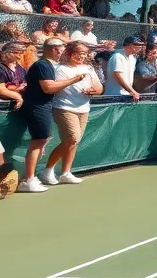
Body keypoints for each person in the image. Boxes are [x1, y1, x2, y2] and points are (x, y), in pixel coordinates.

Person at [17, 38, 85, 193]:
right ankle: (28, 180)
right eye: (58, 48)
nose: (61, 51)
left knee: (42, 141)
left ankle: (32, 177)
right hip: (37, 107)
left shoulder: (48, 65)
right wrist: (74, 79)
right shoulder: (42, 65)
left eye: (61, 48)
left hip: (44, 107)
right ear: (50, 49)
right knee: (38, 141)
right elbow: (48, 88)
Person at [42, 41, 103, 186]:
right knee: (72, 138)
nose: (82, 56)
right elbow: (57, 87)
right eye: (79, 53)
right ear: (70, 52)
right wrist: (75, 79)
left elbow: (99, 87)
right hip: (64, 108)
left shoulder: (88, 68)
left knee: (73, 142)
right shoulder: (60, 69)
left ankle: (65, 173)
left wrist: (94, 91)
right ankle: (47, 171)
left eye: (84, 53)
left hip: (84, 108)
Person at [103, 36, 144, 101]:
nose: (139, 47)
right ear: (128, 45)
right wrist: (131, 91)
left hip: (126, 96)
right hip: (114, 96)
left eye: (141, 45)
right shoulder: (117, 56)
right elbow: (117, 75)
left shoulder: (133, 58)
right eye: (136, 44)